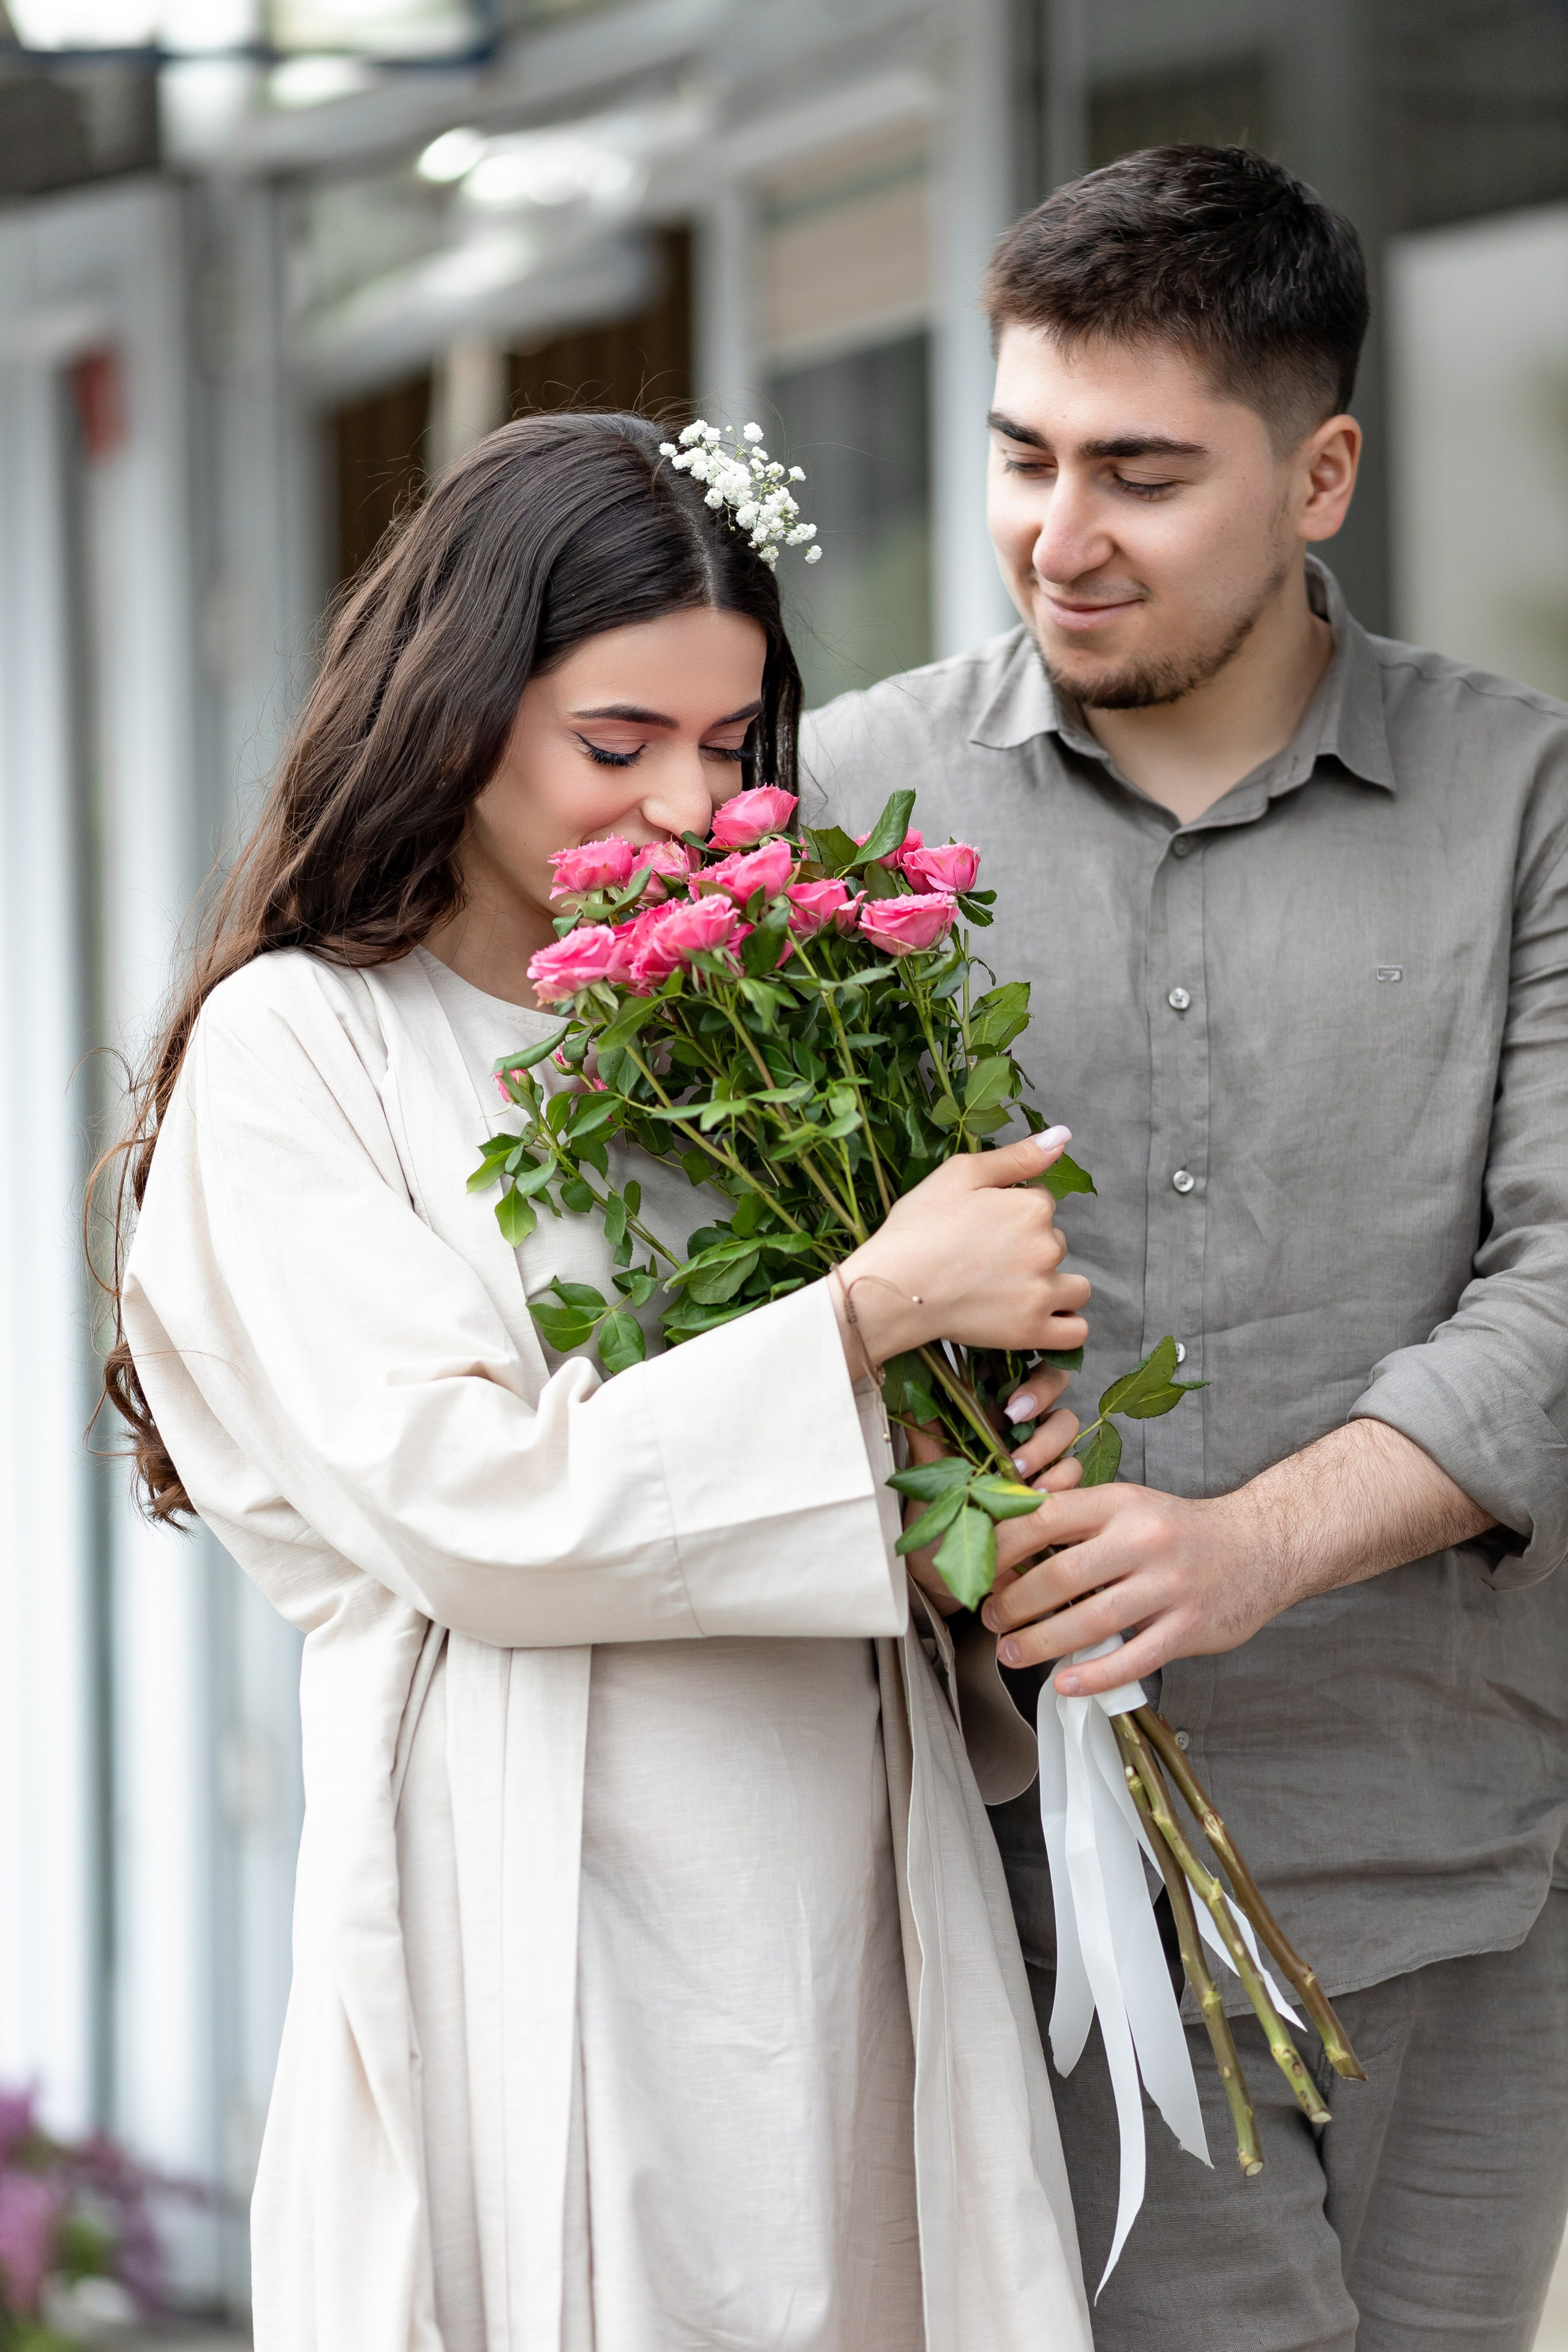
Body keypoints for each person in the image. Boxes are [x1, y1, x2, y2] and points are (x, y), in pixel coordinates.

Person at [105, 410, 1101, 2352]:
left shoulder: (736, 1021)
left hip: (840, 1849)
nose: (680, 807)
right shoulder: (302, 1047)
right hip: (533, 1864)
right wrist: (864, 1319)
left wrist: (966, 1493)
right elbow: (471, 1502)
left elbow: (839, 1490)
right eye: (616, 743)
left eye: (729, 750)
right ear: (463, 710)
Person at [803, 145, 1568, 2352]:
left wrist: (1253, 1547)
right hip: (1038, 1880)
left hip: (1471, 1860)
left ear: (1320, 473)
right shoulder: (848, 814)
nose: (1062, 536)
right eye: (1025, 457)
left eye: (1143, 472)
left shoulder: (1530, 807)